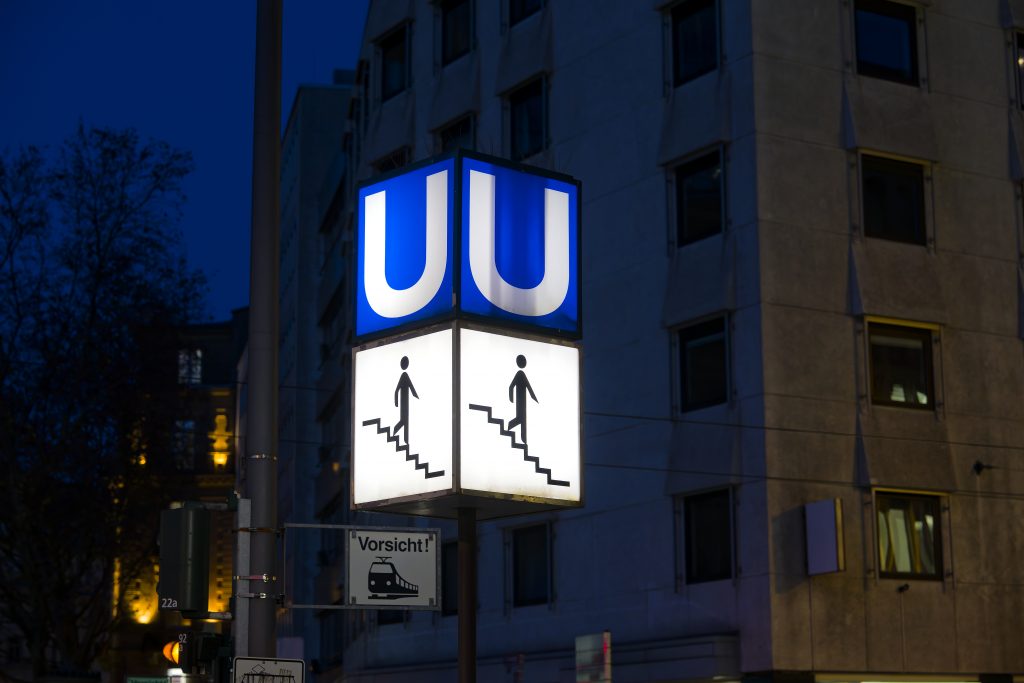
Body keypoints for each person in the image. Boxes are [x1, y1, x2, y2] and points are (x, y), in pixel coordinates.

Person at [507, 354, 537, 444]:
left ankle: (524, 440)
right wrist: (511, 398)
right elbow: (511, 386)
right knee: (520, 418)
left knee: (523, 419)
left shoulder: (522, 374)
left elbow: (529, 387)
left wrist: (533, 397)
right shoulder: (520, 374)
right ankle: (509, 426)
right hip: (520, 399)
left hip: (523, 400)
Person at [393, 356, 418, 446]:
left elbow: (411, 387)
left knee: (405, 421)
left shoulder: (405, 375)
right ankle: (394, 431)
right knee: (403, 421)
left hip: (406, 402)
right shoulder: (404, 376)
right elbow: (397, 389)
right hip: (403, 402)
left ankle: (406, 441)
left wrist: (415, 395)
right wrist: (396, 403)